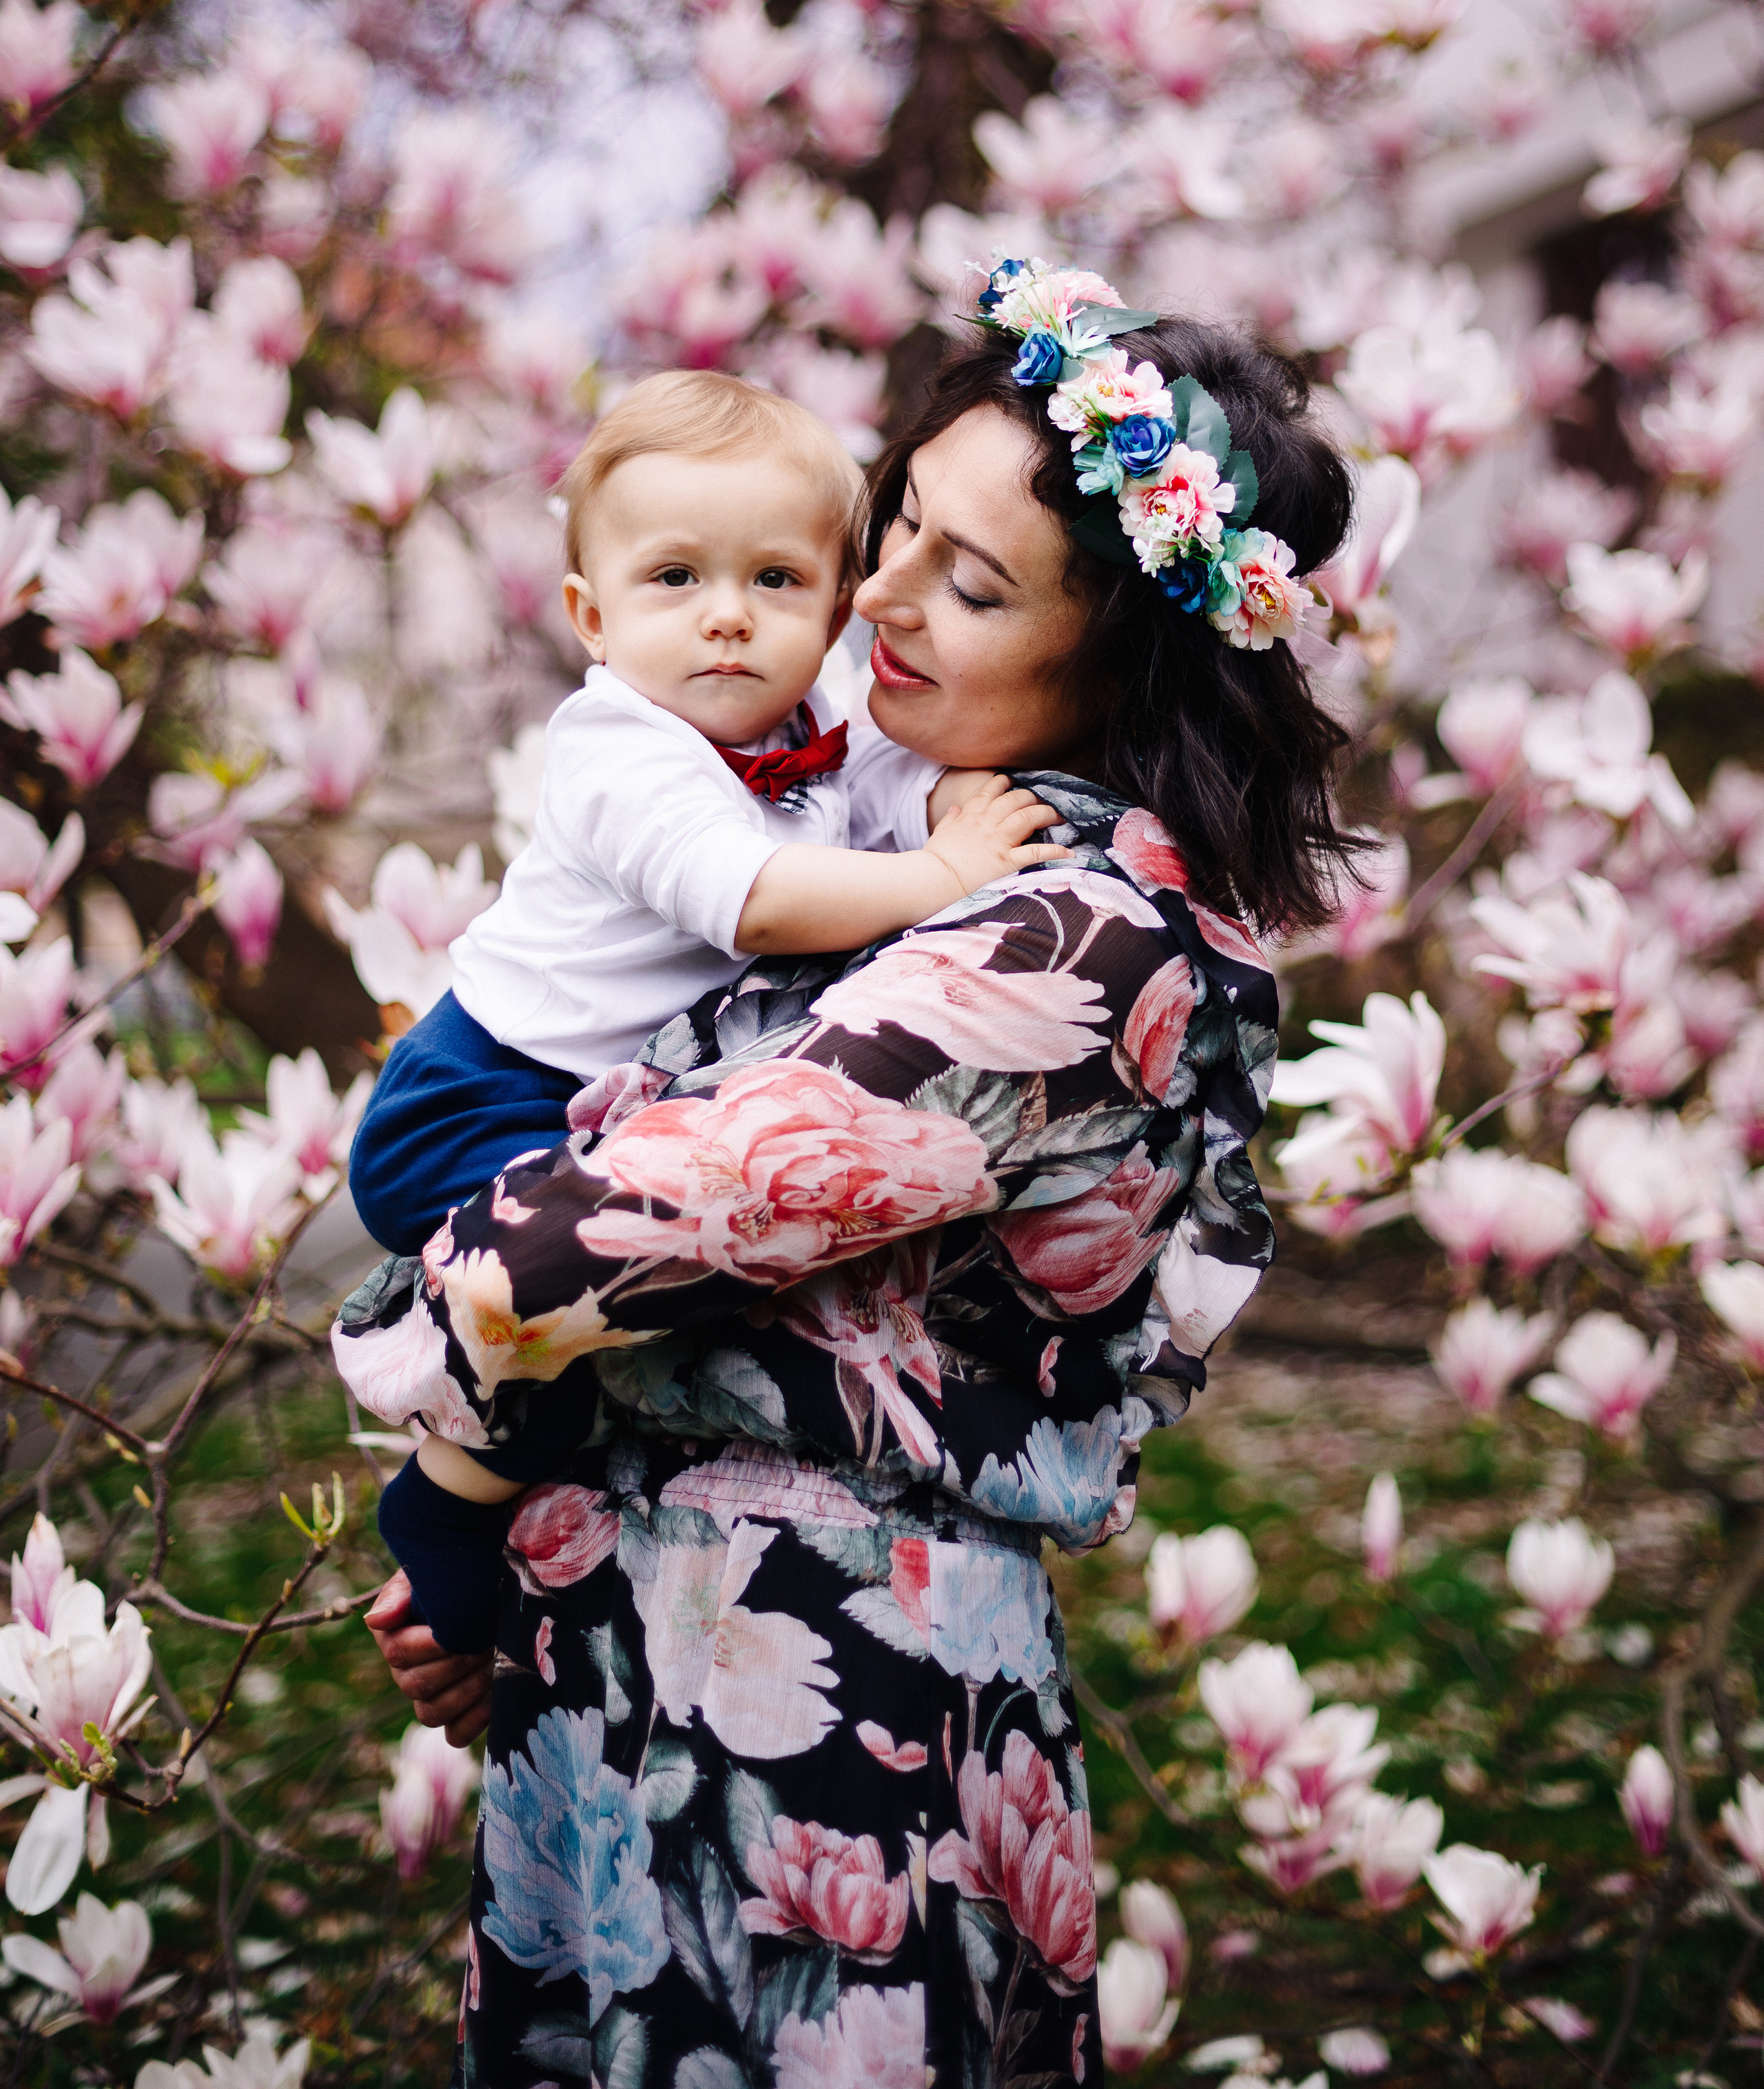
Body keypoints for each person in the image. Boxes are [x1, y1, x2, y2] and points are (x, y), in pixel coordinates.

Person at [348, 269, 1361, 2089]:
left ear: (1118, 656)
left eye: (969, 584)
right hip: (648, 1640)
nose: (870, 595)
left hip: (816, 1708)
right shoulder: (899, 811)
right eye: (893, 519)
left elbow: (541, 1257)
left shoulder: (1073, 946)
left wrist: (447, 1463)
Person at [352, 370, 1068, 1640]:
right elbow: (756, 897)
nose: (728, 619)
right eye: (676, 580)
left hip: (591, 1094)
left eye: (777, 582)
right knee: (580, 1320)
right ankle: (447, 1494)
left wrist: (949, 810)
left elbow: (882, 799)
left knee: (630, 1316)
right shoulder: (620, 749)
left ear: (837, 603)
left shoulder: (805, 729)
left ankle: (509, 1530)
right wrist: (944, 877)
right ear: (591, 614)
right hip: (479, 1089)